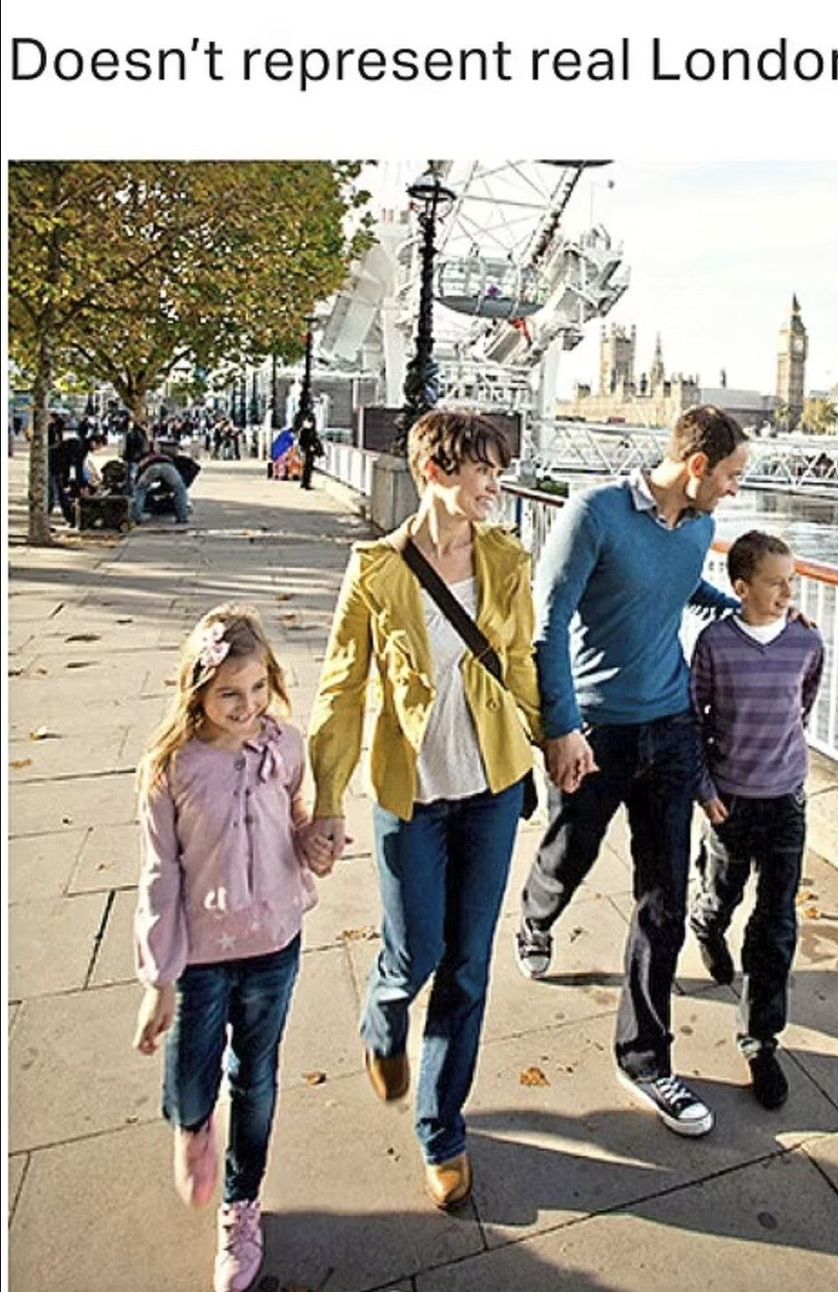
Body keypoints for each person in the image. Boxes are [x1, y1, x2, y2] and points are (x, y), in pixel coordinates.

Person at [305, 409, 542, 1209]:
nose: (497, 484)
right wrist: (328, 798)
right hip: (411, 793)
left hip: (494, 789)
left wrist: (561, 738)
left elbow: (521, 664)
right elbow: (341, 690)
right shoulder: (376, 571)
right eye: (485, 470)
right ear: (440, 472)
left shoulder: (508, 559)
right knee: (414, 958)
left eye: (499, 470)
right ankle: (384, 1016)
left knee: (469, 966)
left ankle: (442, 1132)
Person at [515, 404, 750, 1139]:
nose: (738, 491)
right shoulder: (595, 514)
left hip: (672, 726)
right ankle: (536, 914)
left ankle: (644, 1056)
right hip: (597, 730)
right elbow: (547, 624)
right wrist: (560, 728)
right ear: (698, 467)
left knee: (663, 897)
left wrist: (749, 611)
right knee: (573, 849)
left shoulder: (702, 529)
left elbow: (680, 592)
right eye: (735, 476)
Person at [132, 605, 327, 1292]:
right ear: (198, 695)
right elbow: (161, 875)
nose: (246, 708)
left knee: (256, 1075)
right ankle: (191, 1127)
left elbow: (297, 823)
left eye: (256, 690)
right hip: (201, 956)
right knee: (192, 1076)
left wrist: (314, 845)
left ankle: (242, 1208)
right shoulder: (172, 770)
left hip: (275, 942)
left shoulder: (287, 747)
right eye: (227, 695)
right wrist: (159, 976)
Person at [688, 531, 824, 1110]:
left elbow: (804, 701)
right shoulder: (715, 645)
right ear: (740, 587)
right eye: (775, 582)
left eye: (792, 580)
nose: (786, 591)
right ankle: (706, 925)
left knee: (774, 924)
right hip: (731, 802)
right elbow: (693, 717)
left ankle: (760, 1040)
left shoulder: (805, 642)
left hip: (785, 801)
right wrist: (703, 786)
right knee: (723, 893)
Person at [132, 451, 191, 525]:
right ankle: (182, 517)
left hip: (151, 468)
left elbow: (138, 482)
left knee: (140, 490)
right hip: (168, 467)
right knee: (180, 489)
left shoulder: (141, 462)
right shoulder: (165, 456)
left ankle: (136, 517)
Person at [295, 411, 321, 490]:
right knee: (307, 467)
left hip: (307, 451)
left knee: (307, 467)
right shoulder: (305, 431)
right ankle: (306, 483)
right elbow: (303, 442)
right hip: (307, 451)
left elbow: (315, 441)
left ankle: (304, 482)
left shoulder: (306, 431)